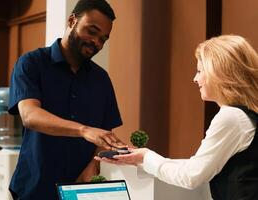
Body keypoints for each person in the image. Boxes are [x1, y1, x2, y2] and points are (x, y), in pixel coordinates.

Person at [96, 35, 258, 199]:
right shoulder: (248, 116)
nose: (195, 79)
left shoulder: (231, 117)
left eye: (200, 71)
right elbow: (200, 165)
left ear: (218, 73)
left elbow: (191, 176)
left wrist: (146, 156)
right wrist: (142, 159)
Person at [7, 0, 126, 199]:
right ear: (72, 20)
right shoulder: (31, 63)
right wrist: (84, 130)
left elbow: (106, 134)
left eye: (103, 39)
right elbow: (30, 115)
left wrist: (94, 165)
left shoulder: (101, 79)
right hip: (34, 189)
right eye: (92, 31)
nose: (97, 42)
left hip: (81, 191)